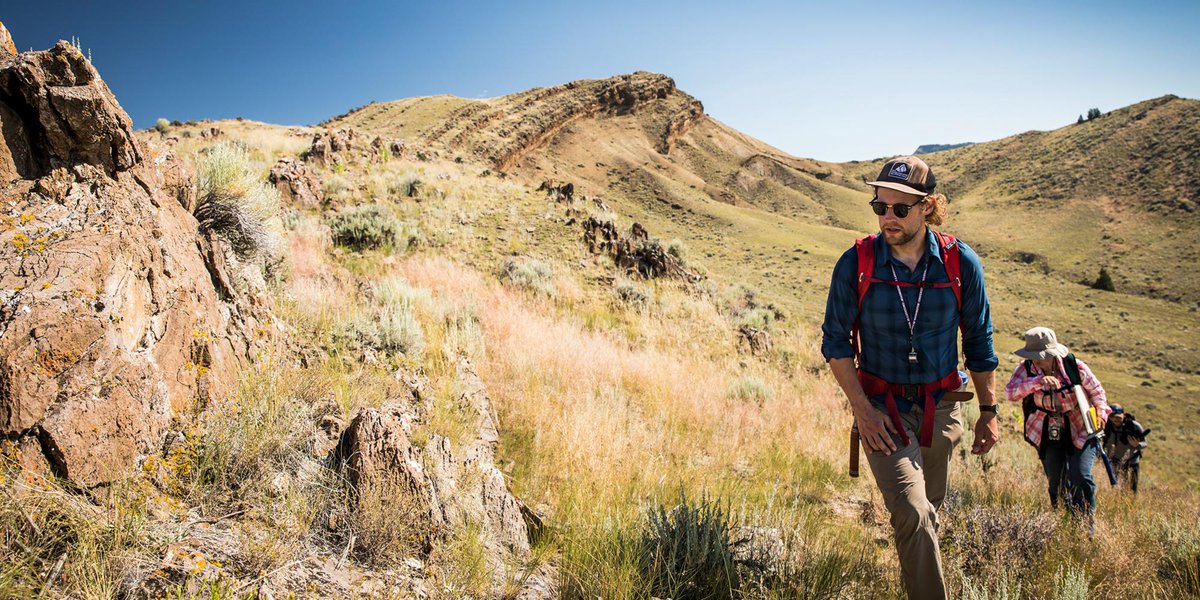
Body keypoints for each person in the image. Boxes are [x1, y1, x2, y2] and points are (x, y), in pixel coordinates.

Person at [822, 156, 999, 600]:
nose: (888, 218)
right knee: (915, 513)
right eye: (880, 207)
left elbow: (979, 342)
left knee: (926, 514)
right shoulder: (856, 263)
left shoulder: (961, 265)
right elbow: (835, 343)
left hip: (942, 409)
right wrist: (863, 411)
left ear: (928, 207)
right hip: (883, 412)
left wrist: (989, 411)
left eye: (900, 209)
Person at [1005, 327, 1111, 519]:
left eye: (1041, 355)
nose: (1036, 359)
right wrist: (1037, 382)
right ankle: (1062, 518)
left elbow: (1097, 393)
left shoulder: (1075, 367)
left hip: (1081, 426)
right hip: (1046, 429)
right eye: (1033, 355)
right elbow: (1010, 393)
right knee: (1056, 479)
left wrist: (1101, 415)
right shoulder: (1026, 369)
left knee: (1081, 475)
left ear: (1053, 353)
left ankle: (1085, 524)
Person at [1103, 405, 1150, 492]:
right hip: (1114, 461)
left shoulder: (1133, 425)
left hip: (1132, 461)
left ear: (1123, 415)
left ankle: (1131, 504)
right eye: (1112, 417)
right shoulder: (1106, 425)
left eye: (1118, 417)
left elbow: (1145, 443)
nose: (1115, 419)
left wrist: (1137, 445)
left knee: (1132, 488)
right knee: (1118, 486)